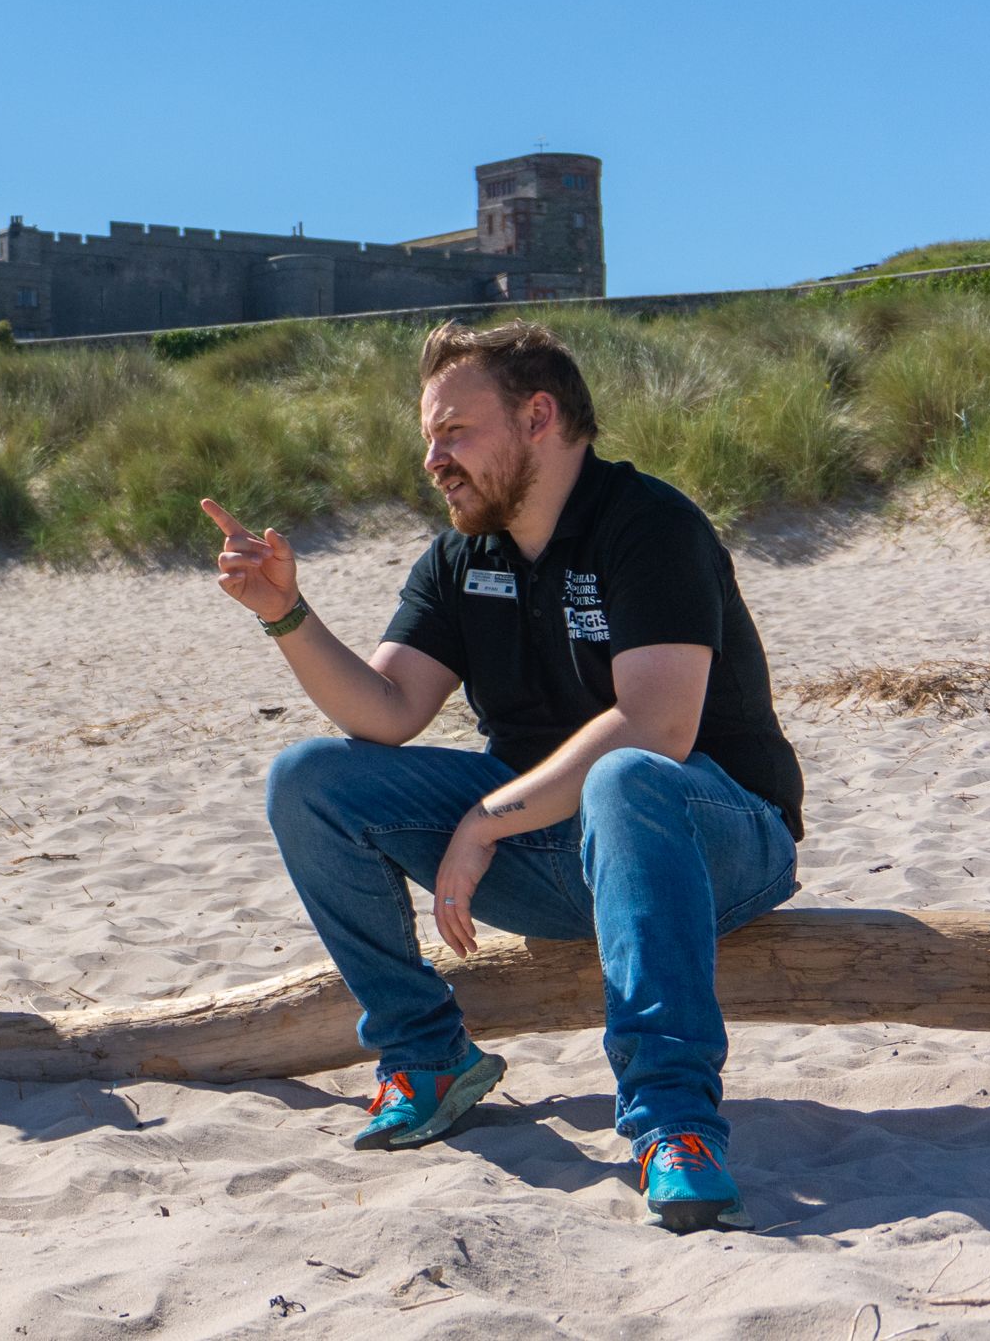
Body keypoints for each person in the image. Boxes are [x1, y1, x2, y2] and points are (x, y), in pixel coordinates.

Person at [209, 320, 804, 1234]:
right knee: (308, 779)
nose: (433, 459)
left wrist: (487, 818)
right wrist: (288, 615)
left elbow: (657, 725)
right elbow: (386, 710)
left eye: (454, 432)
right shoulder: (463, 554)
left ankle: (675, 1127)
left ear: (538, 416)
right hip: (549, 852)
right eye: (427, 438)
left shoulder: (648, 524)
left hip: (713, 833)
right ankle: (427, 1055)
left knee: (627, 779)